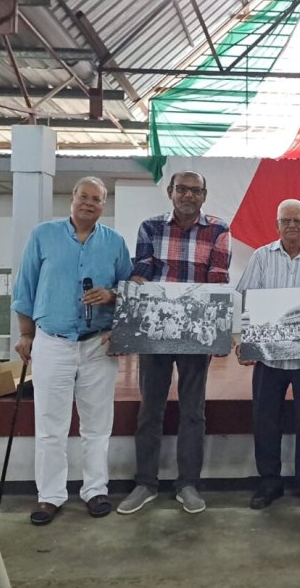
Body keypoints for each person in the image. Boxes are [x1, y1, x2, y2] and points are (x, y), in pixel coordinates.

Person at [12, 176, 131, 525]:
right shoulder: (42, 235)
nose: (89, 203)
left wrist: (112, 301)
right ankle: (50, 496)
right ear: (72, 199)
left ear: (103, 206)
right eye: (84, 196)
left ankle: (95, 491)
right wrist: (25, 333)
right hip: (52, 341)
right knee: (51, 424)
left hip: (98, 344)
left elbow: (128, 290)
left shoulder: (115, 243)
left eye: (96, 199)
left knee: (97, 425)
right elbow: (25, 288)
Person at [118, 171, 231, 515]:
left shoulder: (218, 230)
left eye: (195, 191)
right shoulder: (150, 227)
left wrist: (218, 331)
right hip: (155, 329)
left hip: (196, 332)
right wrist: (130, 306)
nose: (188, 196)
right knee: (150, 408)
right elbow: (141, 270)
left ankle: (188, 484)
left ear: (204, 195)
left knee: (193, 412)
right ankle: (145, 483)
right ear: (170, 192)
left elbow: (218, 280)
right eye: (182, 189)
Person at [235, 199, 300, 511]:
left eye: (297, 221)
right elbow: (244, 299)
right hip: (268, 359)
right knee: (265, 421)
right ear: (276, 224)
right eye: (286, 220)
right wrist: (242, 339)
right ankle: (269, 482)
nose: (292, 226)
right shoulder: (261, 257)